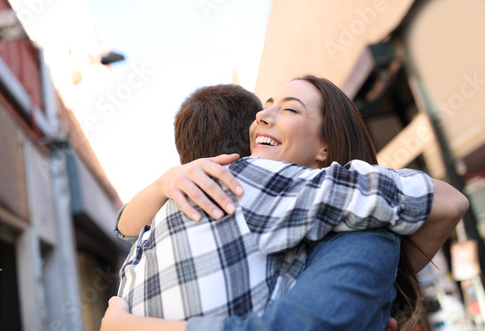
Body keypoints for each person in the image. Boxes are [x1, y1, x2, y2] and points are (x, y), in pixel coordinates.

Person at [103, 77, 468, 330]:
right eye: (267, 106)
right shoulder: (250, 192)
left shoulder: (250, 184)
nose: (263, 116)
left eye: (291, 110)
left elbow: (124, 228)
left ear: (327, 145)